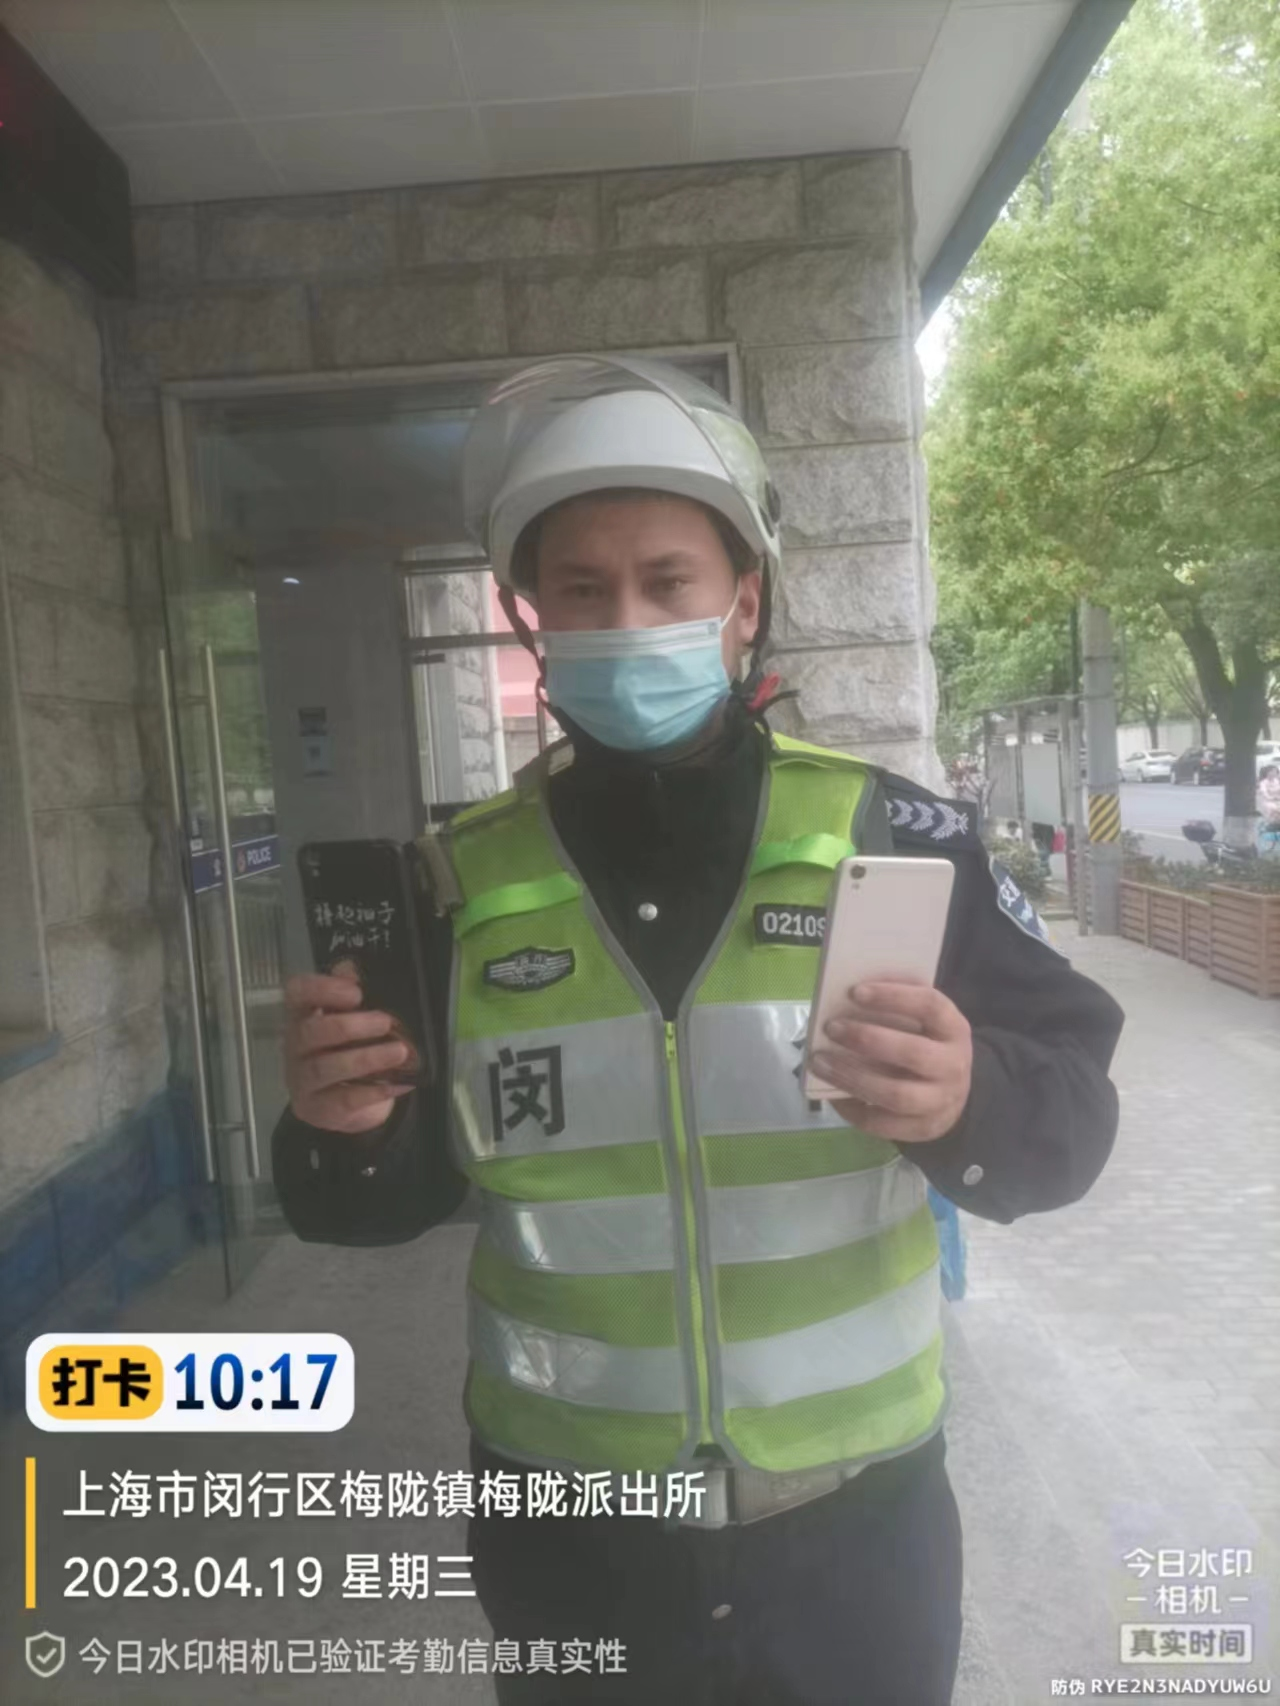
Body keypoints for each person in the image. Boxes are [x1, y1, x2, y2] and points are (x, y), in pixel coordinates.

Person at [272, 355, 1124, 1705]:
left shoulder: (895, 836)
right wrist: (341, 1130)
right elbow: (373, 1203)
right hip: (569, 1539)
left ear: (744, 603)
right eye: (582, 589)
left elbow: (1070, 1118)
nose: (626, 621)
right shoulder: (456, 886)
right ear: (530, 616)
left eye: (667, 581)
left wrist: (974, 1095)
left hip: (856, 1538)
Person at [1258, 763, 1280, 854]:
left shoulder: (1277, 781)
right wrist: (1272, 798)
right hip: (1268, 802)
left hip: (1278, 801)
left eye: (1275, 772)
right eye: (1272, 771)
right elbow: (1264, 793)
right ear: (1267, 773)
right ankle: (1271, 827)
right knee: (1275, 810)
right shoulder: (1263, 783)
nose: (1274, 773)